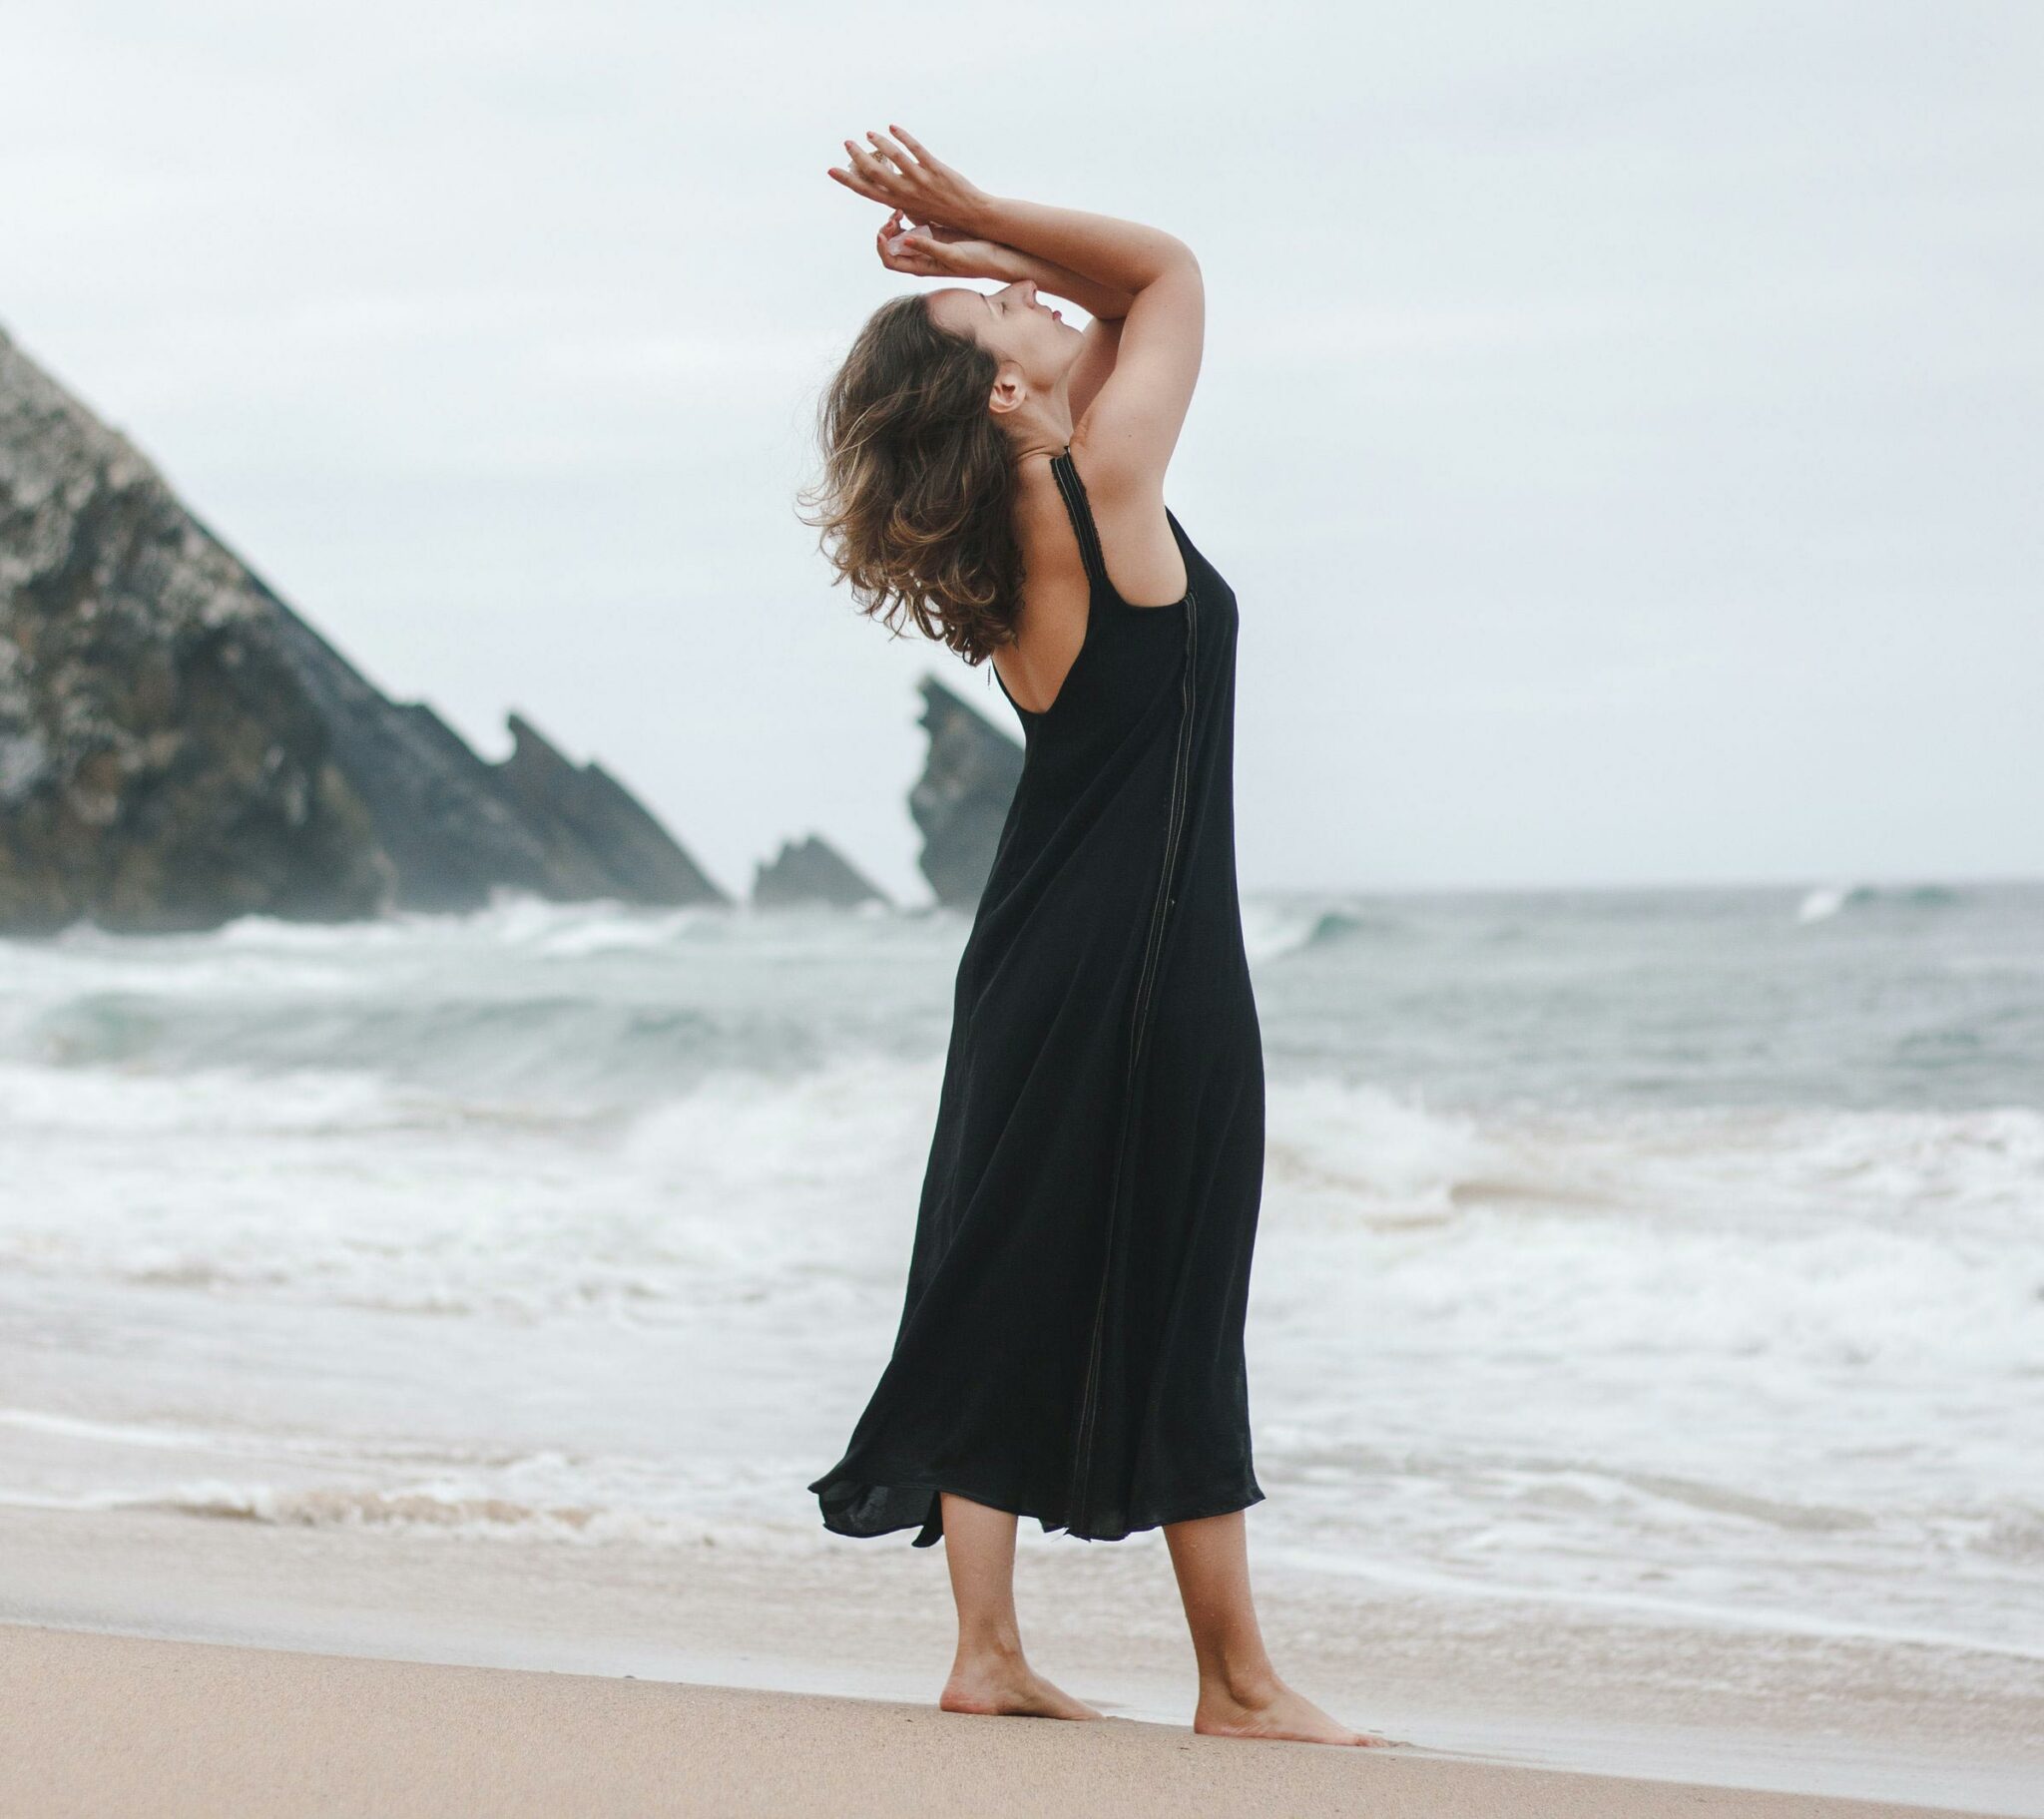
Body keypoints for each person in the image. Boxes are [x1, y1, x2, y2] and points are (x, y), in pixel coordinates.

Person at [797, 125, 1390, 1749]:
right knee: (1181, 1285)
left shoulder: (1021, 525)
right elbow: (1167, 275)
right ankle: (1238, 1684)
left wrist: (985, 276)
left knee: (1006, 1267)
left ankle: (988, 1648)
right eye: (1013, 323)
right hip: (1147, 963)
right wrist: (981, 226)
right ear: (1002, 399)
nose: (1043, 316)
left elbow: (1116, 315)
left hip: (1035, 956)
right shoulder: (1098, 483)